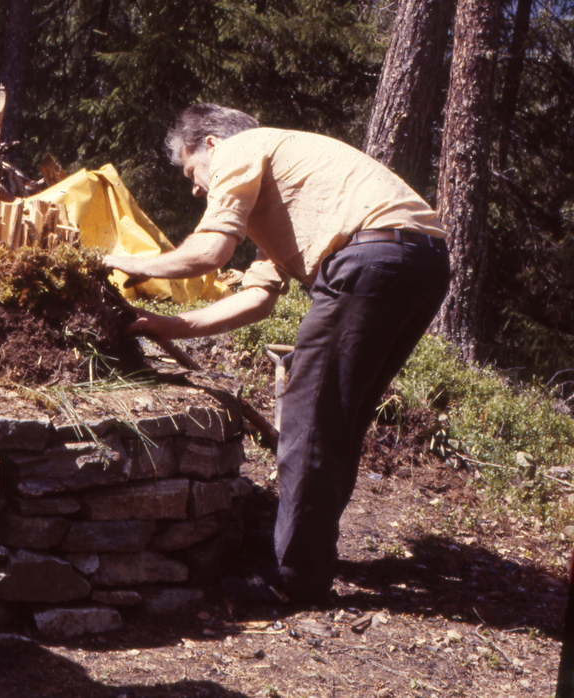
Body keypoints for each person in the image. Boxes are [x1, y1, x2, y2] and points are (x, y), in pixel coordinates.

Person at [104, 103, 451, 605]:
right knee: (338, 422)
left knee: (309, 419)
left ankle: (290, 580)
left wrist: (124, 261)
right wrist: (169, 326)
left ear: (211, 145)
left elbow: (210, 252)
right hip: (420, 261)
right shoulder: (294, 187)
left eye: (191, 171)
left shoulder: (241, 149)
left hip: (370, 257)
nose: (196, 188)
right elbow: (257, 298)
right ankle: (308, 555)